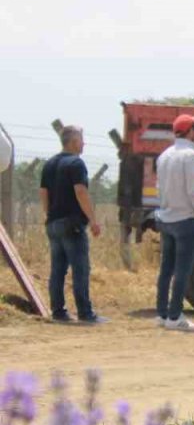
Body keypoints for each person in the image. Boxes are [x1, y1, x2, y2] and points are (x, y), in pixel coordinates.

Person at [39, 126, 107, 324]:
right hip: (72, 223)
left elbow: (43, 193)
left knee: (57, 270)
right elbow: (81, 192)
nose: (84, 143)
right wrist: (93, 220)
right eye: (82, 139)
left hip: (53, 222)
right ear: (74, 141)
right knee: (80, 268)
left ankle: (58, 312)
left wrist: (49, 215)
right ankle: (85, 313)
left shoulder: (49, 164)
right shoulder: (76, 163)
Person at [154, 113, 194, 332]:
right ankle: (175, 316)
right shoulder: (190, 155)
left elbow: (159, 189)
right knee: (182, 271)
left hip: (167, 217)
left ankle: (161, 313)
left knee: (166, 269)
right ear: (190, 131)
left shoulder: (165, 155)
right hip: (186, 219)